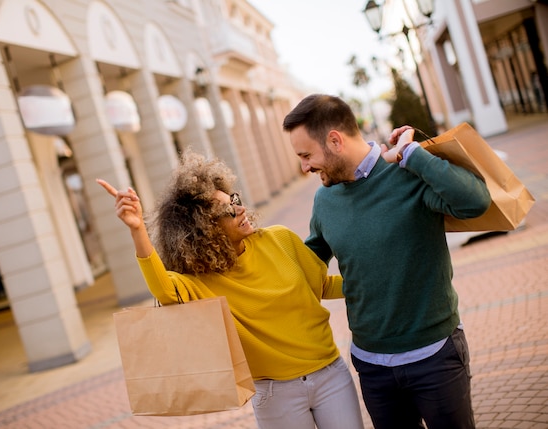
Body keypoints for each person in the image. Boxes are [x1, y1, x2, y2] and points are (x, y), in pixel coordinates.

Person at [97, 150, 364, 429]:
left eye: (234, 200)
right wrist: (138, 229)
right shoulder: (201, 282)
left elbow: (321, 285)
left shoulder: (280, 239)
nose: (240, 209)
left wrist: (379, 281)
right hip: (275, 395)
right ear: (204, 229)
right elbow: (165, 290)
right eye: (226, 211)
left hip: (330, 375)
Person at [282, 94, 492, 429]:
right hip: (372, 367)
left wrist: (412, 154)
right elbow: (305, 267)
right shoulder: (324, 200)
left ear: (335, 140)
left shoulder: (406, 173)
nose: (304, 167)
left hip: (434, 355)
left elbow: (476, 203)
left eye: (306, 155)